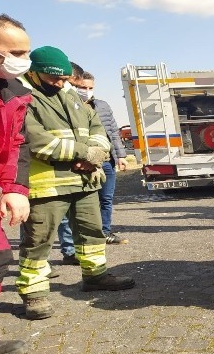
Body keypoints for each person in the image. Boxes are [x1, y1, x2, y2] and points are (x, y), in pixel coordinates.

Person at [17, 46, 135, 320]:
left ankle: (95, 276)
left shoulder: (70, 94)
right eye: (52, 78)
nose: (59, 84)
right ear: (33, 72)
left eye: (64, 79)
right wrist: (86, 154)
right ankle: (34, 294)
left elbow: (97, 128)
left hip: (85, 179)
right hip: (47, 183)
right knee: (38, 242)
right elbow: (35, 139)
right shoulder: (21, 96)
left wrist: (96, 153)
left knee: (92, 233)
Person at [56, 70, 130, 266]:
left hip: (106, 161)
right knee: (70, 207)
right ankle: (70, 249)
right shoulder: (65, 106)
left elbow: (113, 132)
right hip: (79, 161)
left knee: (105, 199)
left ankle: (103, 233)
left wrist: (120, 156)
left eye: (90, 88)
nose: (86, 91)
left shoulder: (102, 106)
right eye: (82, 87)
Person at [0, 13, 32, 353]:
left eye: (25, 52)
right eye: (15, 53)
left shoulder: (15, 93)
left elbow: (16, 145)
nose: (23, 61)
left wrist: (14, 189)